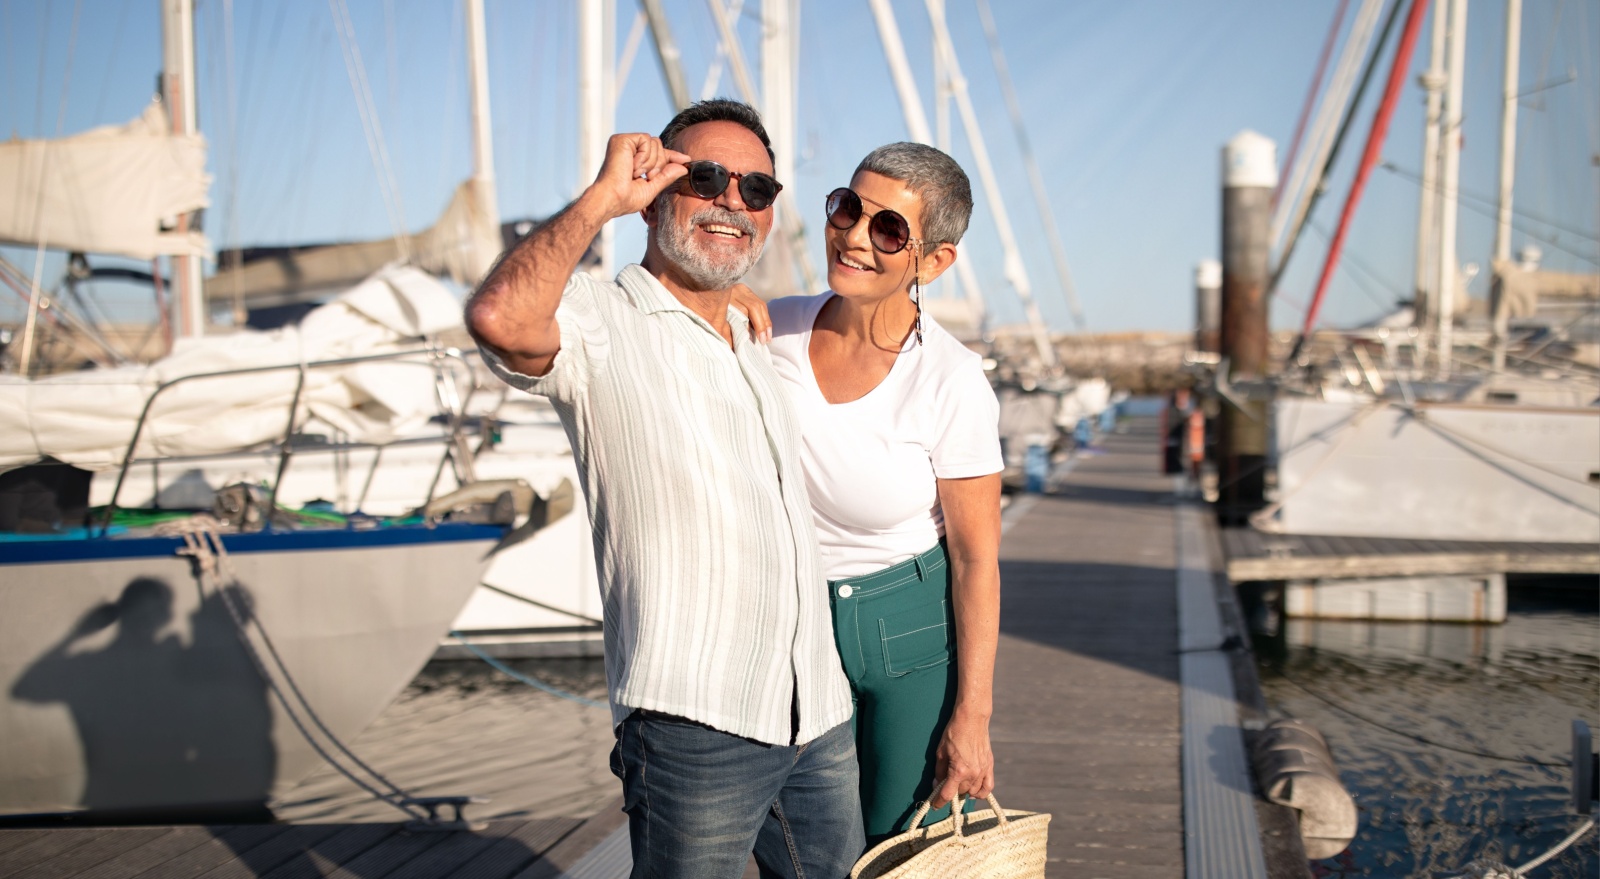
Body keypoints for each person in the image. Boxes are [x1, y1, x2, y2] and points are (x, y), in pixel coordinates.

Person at [464, 100, 861, 879]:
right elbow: (501, 316)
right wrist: (602, 199)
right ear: (653, 197)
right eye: (705, 177)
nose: (731, 201)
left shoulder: (753, 330)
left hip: (816, 708)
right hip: (695, 719)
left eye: (756, 189)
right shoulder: (600, 319)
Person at [742, 142, 1003, 846]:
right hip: (793, 628)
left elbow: (978, 559)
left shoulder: (951, 381)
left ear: (934, 261)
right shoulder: (770, 329)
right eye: (848, 207)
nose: (855, 235)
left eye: (888, 229)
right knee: (802, 850)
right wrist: (721, 296)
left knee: (904, 845)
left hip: (909, 630)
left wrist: (972, 719)